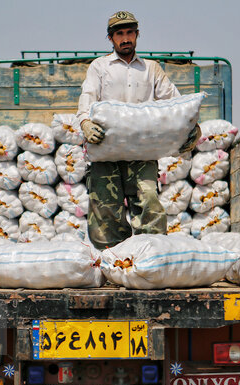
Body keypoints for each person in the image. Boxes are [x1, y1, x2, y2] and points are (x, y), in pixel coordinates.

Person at [77, 11, 199, 249]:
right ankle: (111, 262)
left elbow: (174, 103)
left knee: (149, 202)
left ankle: (148, 258)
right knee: (104, 209)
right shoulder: (99, 67)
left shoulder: (152, 69)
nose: (125, 38)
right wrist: (85, 123)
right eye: (119, 34)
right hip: (105, 151)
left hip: (142, 154)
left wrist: (193, 128)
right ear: (111, 39)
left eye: (130, 33)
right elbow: (87, 98)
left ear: (137, 35)